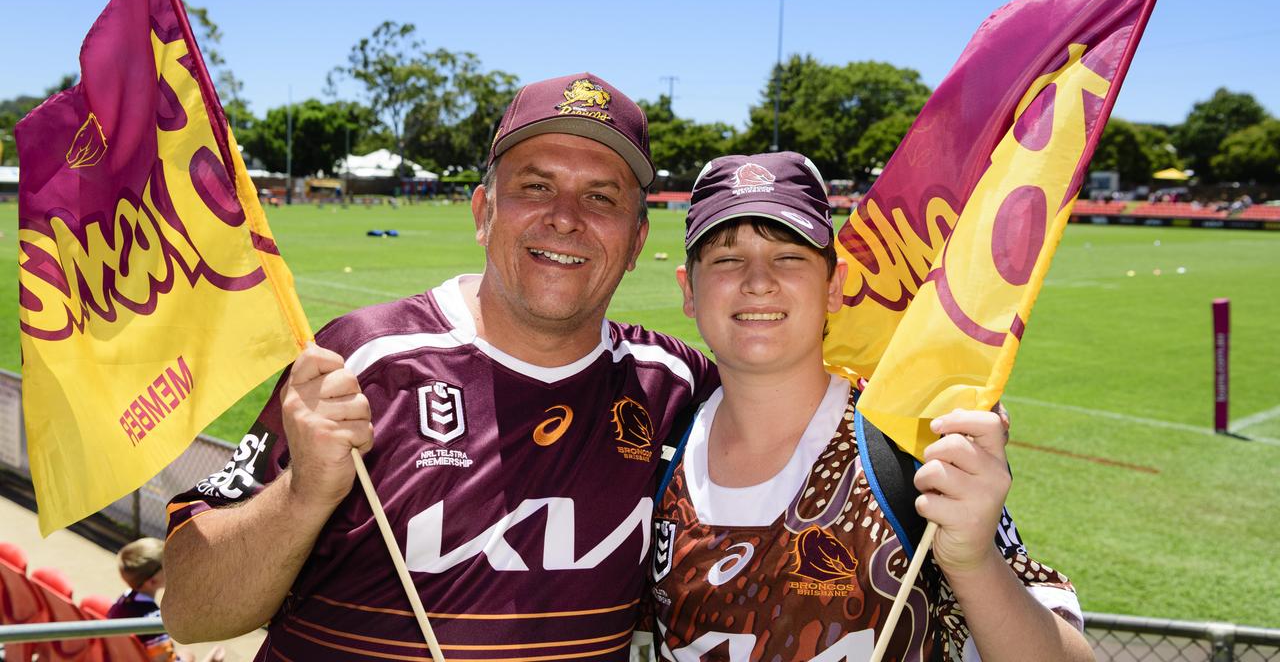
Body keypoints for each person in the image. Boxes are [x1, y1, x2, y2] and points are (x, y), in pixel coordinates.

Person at [160, 73, 719, 660]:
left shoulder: (673, 383)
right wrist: (302, 495)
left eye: (601, 197)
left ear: (637, 241)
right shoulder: (363, 359)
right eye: (535, 186)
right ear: (483, 212)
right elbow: (191, 611)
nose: (565, 217)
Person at [645, 152, 1092, 661]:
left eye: (789, 256)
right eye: (726, 259)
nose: (758, 280)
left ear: (834, 286)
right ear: (689, 290)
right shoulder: (657, 448)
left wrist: (973, 563)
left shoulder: (908, 446)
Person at [108, 537, 225, 662]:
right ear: (153, 581)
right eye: (168, 564)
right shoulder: (152, 620)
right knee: (188, 655)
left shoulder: (123, 600)